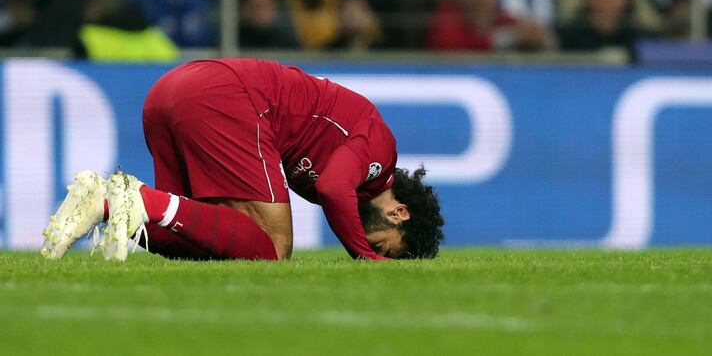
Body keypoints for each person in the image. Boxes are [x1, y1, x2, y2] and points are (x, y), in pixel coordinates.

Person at [42, 59, 445, 261]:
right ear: (399, 214)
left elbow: (331, 189)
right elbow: (331, 187)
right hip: (226, 96)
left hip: (174, 88)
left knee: (199, 239)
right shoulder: (380, 150)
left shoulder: (358, 175)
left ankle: (105, 202)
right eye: (390, 250)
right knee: (274, 246)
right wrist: (367, 258)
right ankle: (142, 199)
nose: (380, 251)